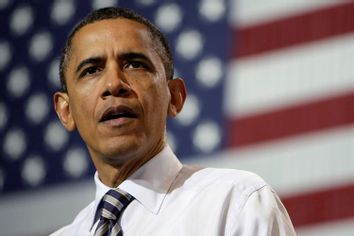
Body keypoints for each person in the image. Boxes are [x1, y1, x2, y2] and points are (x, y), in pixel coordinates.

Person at [51, 6, 296, 236]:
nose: (114, 84)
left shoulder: (235, 203)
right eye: (92, 70)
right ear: (66, 110)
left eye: (135, 64)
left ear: (175, 97)